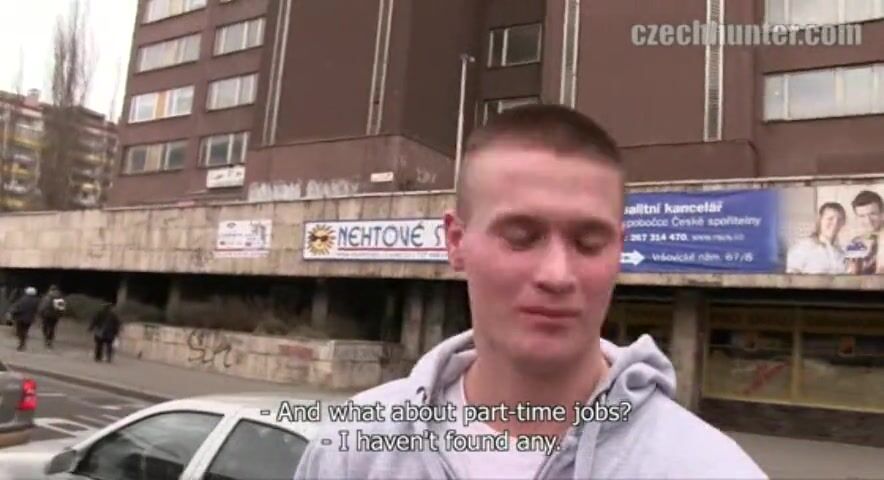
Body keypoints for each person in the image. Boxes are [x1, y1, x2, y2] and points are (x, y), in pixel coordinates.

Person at [293, 105, 766, 479]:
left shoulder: (710, 469)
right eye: (521, 237)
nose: (557, 275)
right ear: (456, 241)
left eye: (588, 242)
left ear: (620, 249)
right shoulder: (355, 447)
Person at [785, 202, 848, 274]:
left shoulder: (841, 253)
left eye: (840, 220)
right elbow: (791, 276)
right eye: (830, 219)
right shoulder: (803, 247)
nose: (835, 223)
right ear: (820, 220)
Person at [845, 190, 883, 275]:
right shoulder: (855, 243)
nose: (868, 220)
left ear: (882, 213)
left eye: (873, 214)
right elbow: (850, 275)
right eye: (862, 216)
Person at [8, 287, 40, 351]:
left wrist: (12, 312)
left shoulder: (23, 299)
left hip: (20, 318)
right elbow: (37, 310)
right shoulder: (37, 301)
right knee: (25, 330)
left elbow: (18, 308)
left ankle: (22, 343)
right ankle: (23, 343)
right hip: (30, 318)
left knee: (19, 331)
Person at [38, 284, 66, 349]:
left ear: (50, 289)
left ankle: (46, 338)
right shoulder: (59, 297)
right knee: (52, 327)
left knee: (45, 326)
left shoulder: (48, 296)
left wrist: (40, 312)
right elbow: (61, 308)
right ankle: (49, 340)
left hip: (46, 314)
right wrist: (60, 315)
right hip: (55, 315)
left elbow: (43, 306)